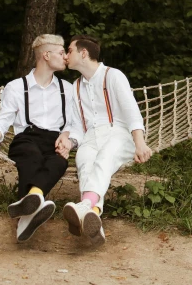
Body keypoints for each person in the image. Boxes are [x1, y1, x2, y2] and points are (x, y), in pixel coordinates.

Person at [59, 34, 152, 246]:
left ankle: (85, 206)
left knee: (104, 159)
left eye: (70, 50)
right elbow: (77, 126)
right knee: (84, 161)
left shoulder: (113, 75)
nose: (66, 55)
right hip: (90, 136)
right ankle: (93, 215)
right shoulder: (75, 87)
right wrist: (70, 142)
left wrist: (140, 143)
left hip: (118, 133)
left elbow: (131, 111)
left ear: (84, 53)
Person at [0, 34, 77, 242]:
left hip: (55, 139)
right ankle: (34, 202)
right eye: (61, 53)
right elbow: (3, 119)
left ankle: (30, 203)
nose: (65, 58)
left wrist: (66, 137)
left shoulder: (68, 90)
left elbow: (72, 123)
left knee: (59, 162)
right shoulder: (15, 87)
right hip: (26, 138)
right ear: (46, 55)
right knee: (31, 156)